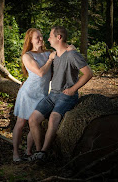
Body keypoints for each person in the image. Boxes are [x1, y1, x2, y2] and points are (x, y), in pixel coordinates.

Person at [28, 26, 93, 161]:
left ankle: (44, 152)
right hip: (52, 95)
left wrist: (73, 89)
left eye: (50, 36)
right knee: (33, 119)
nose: (48, 39)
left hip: (66, 96)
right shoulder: (54, 56)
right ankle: (39, 152)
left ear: (59, 37)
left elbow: (88, 73)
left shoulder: (73, 55)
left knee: (53, 118)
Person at [12, 28, 75, 162]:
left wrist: (72, 48)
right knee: (21, 123)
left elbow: (63, 52)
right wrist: (49, 60)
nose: (41, 39)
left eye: (41, 36)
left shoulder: (48, 53)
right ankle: (15, 154)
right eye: (37, 38)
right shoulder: (28, 55)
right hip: (28, 93)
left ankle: (30, 151)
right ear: (30, 40)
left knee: (35, 122)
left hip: (42, 93)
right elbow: (40, 73)